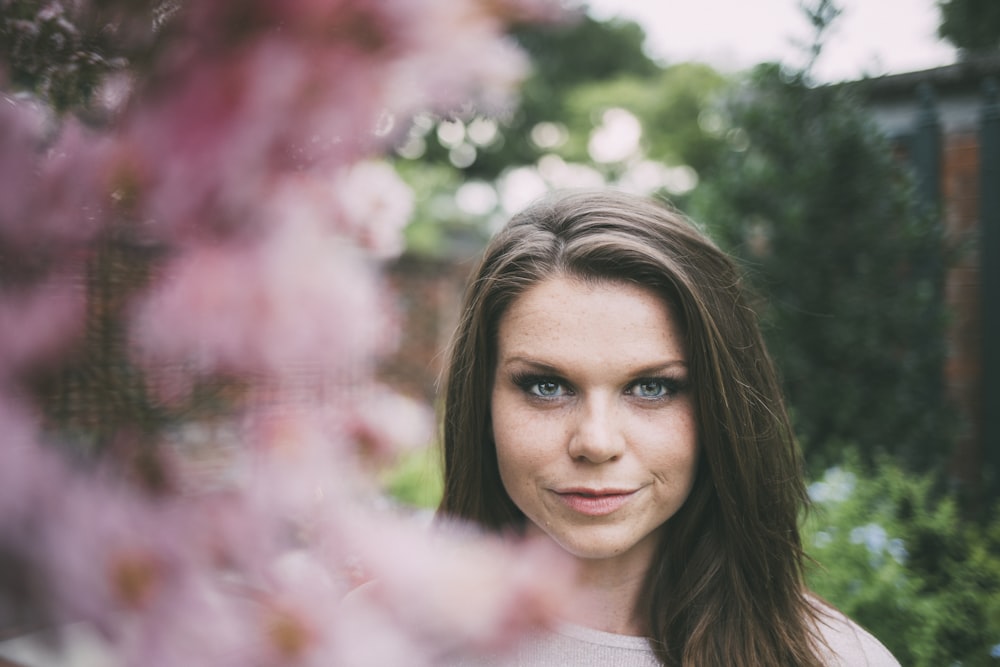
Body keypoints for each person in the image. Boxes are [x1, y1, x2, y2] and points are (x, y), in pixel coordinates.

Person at [436, 189, 899, 666]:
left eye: (652, 388)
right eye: (547, 386)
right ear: (482, 404)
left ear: (722, 410)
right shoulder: (378, 640)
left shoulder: (839, 659)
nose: (596, 442)